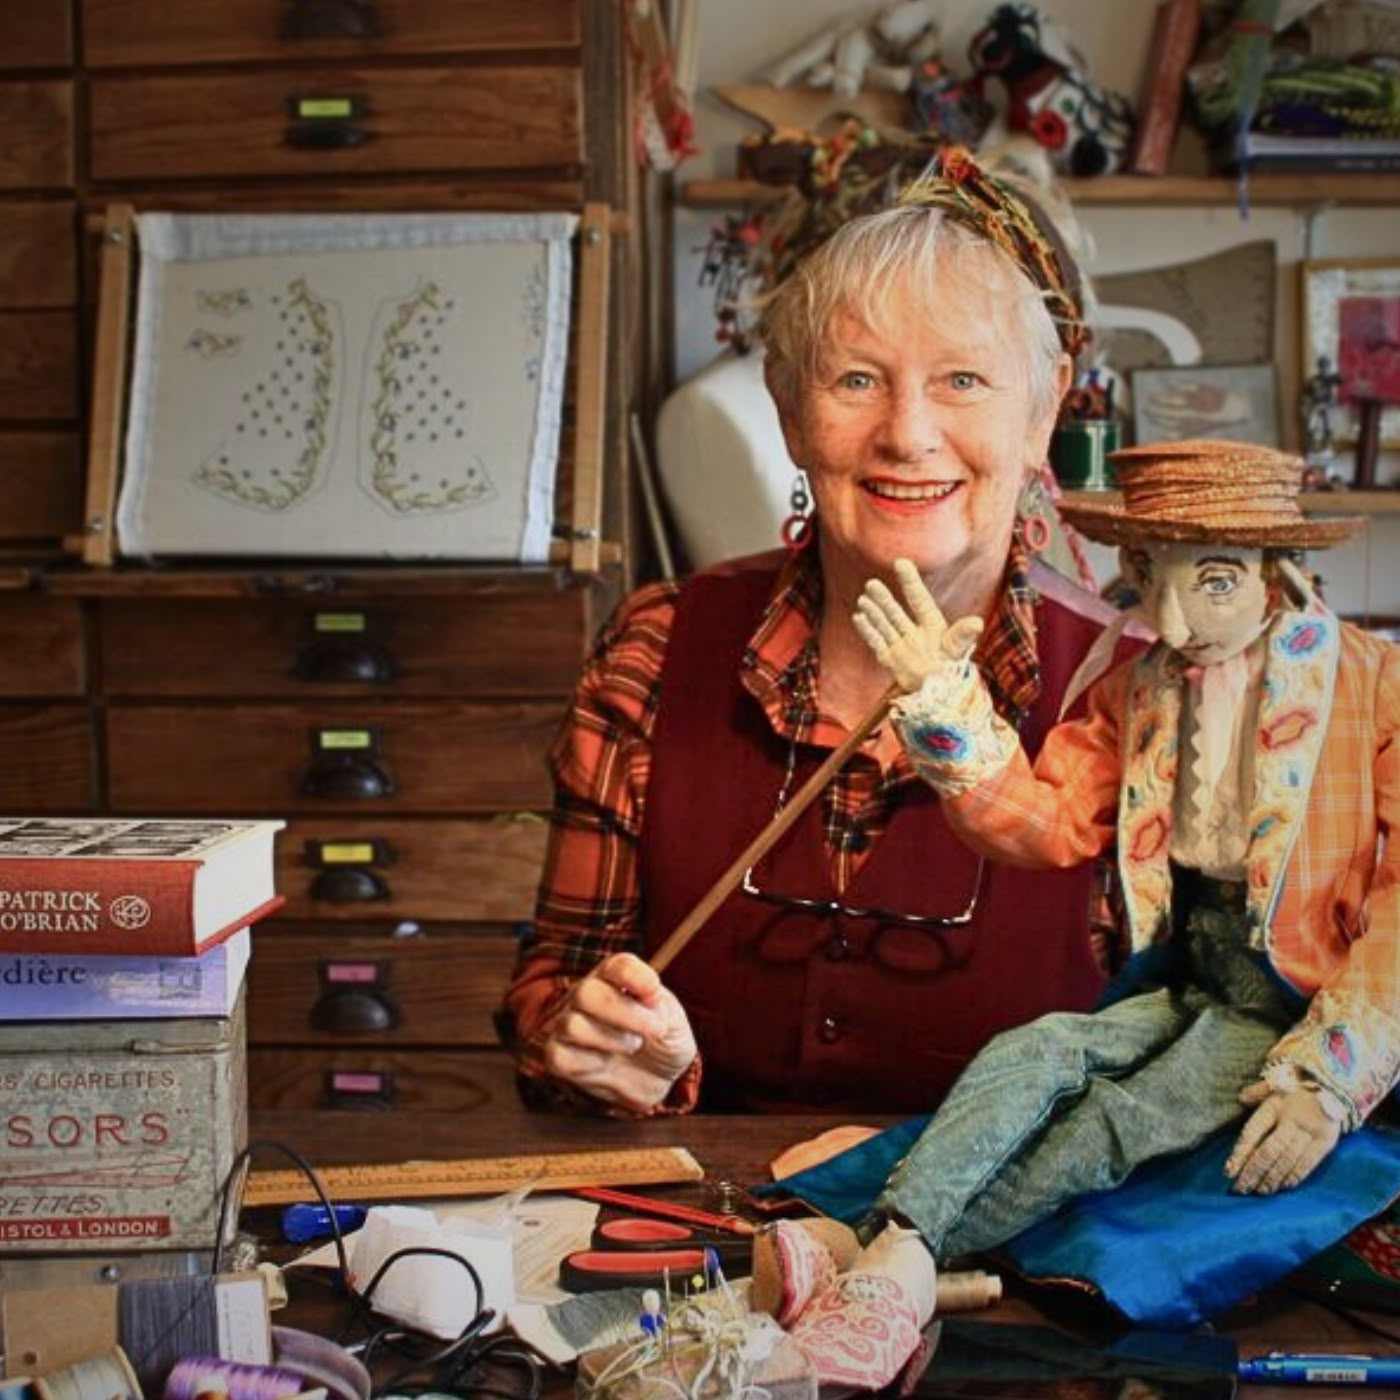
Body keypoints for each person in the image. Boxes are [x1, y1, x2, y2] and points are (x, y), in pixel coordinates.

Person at [496, 148, 1140, 1116]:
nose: (906, 434)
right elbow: (553, 996)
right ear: (790, 408)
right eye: (854, 379)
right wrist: (587, 1045)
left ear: (1043, 407)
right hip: (700, 1240)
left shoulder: (1137, 697)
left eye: (962, 378)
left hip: (1018, 1253)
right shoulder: (655, 653)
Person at [851, 438, 1397, 1259]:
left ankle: (912, 1253)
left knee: (1123, 1115)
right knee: (1033, 1052)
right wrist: (945, 701)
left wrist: (1332, 1076)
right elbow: (1049, 821)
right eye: (1150, 578)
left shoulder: (1374, 684)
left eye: (1214, 581)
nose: (1175, 622)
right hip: (1188, 971)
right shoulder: (1140, 690)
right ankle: (894, 1230)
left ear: (1276, 567)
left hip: (1302, 989)